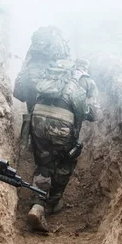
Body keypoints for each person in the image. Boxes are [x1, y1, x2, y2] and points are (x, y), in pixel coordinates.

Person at [27, 58, 101, 233]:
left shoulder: (55, 73)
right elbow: (95, 114)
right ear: (86, 67)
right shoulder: (87, 80)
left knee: (44, 162)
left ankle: (38, 204)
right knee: (65, 161)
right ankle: (52, 203)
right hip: (63, 124)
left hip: (37, 118)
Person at [13, 26, 71, 113]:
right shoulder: (62, 46)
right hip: (53, 89)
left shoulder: (34, 49)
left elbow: (27, 62)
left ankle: (31, 119)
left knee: (32, 109)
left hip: (33, 80)